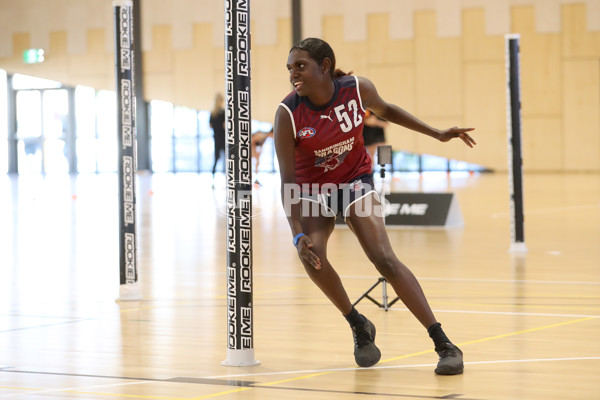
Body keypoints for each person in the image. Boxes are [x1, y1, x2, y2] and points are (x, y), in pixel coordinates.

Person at [273, 38, 476, 375]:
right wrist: (297, 236)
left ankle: (444, 343)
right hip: (311, 191)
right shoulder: (288, 114)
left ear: (324, 66)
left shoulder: (357, 89)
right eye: (290, 68)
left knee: (384, 258)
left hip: (355, 179)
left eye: (300, 66)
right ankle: (358, 323)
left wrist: (437, 134)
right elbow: (288, 181)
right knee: (314, 259)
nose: (293, 74)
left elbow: (387, 110)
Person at [209, 93, 226, 187]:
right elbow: (224, 125)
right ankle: (227, 181)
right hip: (223, 138)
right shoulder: (222, 112)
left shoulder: (212, 113)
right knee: (226, 160)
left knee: (216, 160)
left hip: (216, 139)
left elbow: (210, 125)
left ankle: (213, 182)